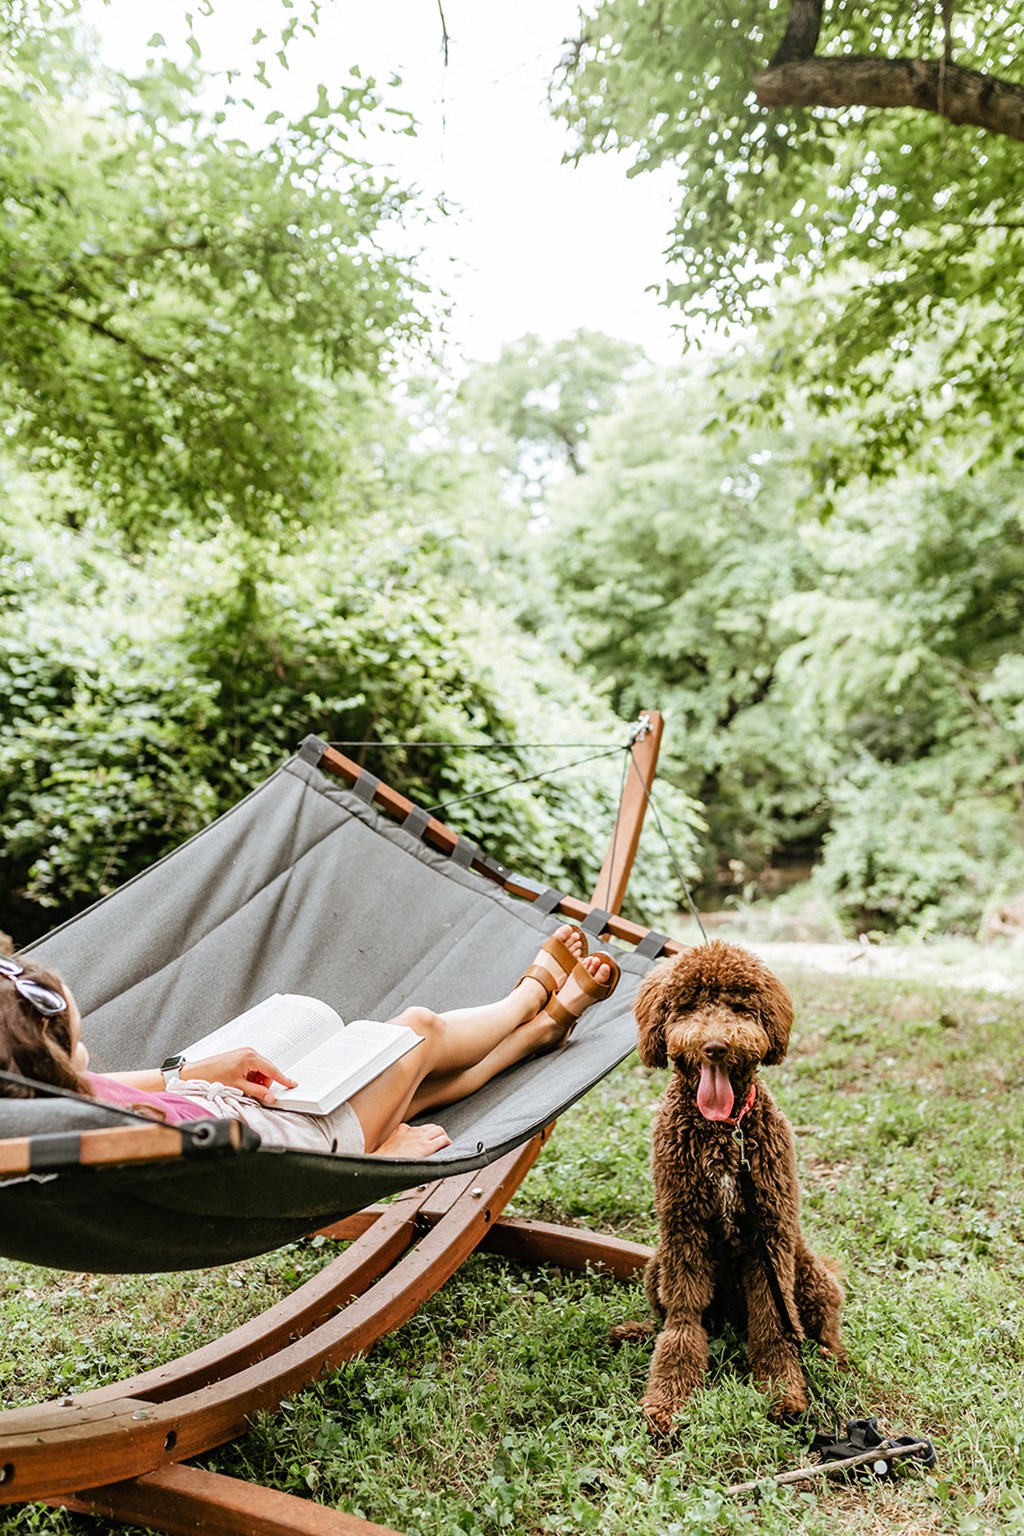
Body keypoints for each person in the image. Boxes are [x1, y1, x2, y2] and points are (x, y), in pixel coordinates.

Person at [0, 928, 618, 1159]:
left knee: (418, 1086)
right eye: (71, 1035)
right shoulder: (91, 1129)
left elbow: (113, 1087)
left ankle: (540, 1031)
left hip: (252, 1107)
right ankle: (528, 1001)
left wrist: (196, 1067)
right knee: (418, 1030)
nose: (84, 1039)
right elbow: (228, 1181)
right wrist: (375, 1155)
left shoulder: (53, 1099)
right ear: (41, 1049)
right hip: (299, 1140)